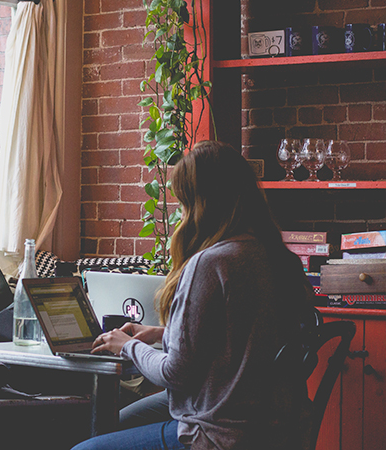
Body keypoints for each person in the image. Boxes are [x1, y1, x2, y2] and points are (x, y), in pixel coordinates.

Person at [72, 141, 315, 450]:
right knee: (112, 423)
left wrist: (127, 346)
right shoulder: (277, 257)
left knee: (85, 448)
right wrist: (160, 334)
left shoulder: (212, 263)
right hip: (276, 425)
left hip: (221, 432)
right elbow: (242, 337)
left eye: (183, 201)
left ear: (201, 203)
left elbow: (174, 373)